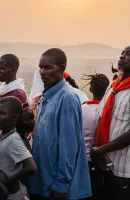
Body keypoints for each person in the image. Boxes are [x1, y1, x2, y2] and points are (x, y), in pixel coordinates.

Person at [91, 45, 130, 200]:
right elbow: (101, 119)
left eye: (128, 54)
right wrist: (97, 150)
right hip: (106, 165)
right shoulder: (113, 87)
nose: (122, 57)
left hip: (127, 169)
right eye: (122, 53)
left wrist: (100, 150)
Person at [29, 48, 91, 200]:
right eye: (41, 67)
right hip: (43, 180)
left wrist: (61, 185)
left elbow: (69, 146)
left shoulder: (67, 98)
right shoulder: (47, 96)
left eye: (48, 67)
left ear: (62, 69)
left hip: (57, 186)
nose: (42, 72)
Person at [0, 97, 37, 200]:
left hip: (14, 196)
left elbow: (31, 167)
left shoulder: (13, 140)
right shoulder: (0, 133)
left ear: (15, 117)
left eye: (2, 113)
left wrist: (9, 182)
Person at [82, 73, 110, 198]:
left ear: (90, 89)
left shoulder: (81, 108)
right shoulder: (106, 110)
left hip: (81, 159)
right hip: (97, 160)